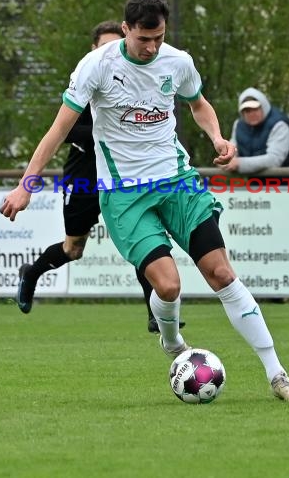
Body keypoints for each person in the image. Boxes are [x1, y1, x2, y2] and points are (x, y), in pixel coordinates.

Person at [1, 0, 289, 402]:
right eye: (142, 38)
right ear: (126, 28)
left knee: (221, 273)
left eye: (158, 38)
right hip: (124, 194)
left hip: (177, 181)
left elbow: (197, 104)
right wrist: (27, 184)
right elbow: (58, 130)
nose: (151, 47)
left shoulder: (177, 62)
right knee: (168, 288)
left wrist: (218, 137)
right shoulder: (96, 67)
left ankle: (277, 375)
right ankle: (171, 340)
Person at [17, 19, 184, 333]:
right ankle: (32, 272)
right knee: (73, 249)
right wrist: (113, 130)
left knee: (144, 240)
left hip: (123, 179)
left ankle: (154, 313)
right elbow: (64, 131)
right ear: (94, 49)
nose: (110, 51)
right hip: (84, 179)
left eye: (113, 44)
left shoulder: (134, 80)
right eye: (103, 46)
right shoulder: (86, 81)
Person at [225, 87, 289, 185]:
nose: (252, 114)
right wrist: (227, 159)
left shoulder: (279, 124)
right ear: (242, 113)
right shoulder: (238, 125)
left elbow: (274, 159)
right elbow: (233, 148)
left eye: (255, 109)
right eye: (247, 111)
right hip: (260, 186)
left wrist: (239, 164)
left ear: (263, 107)